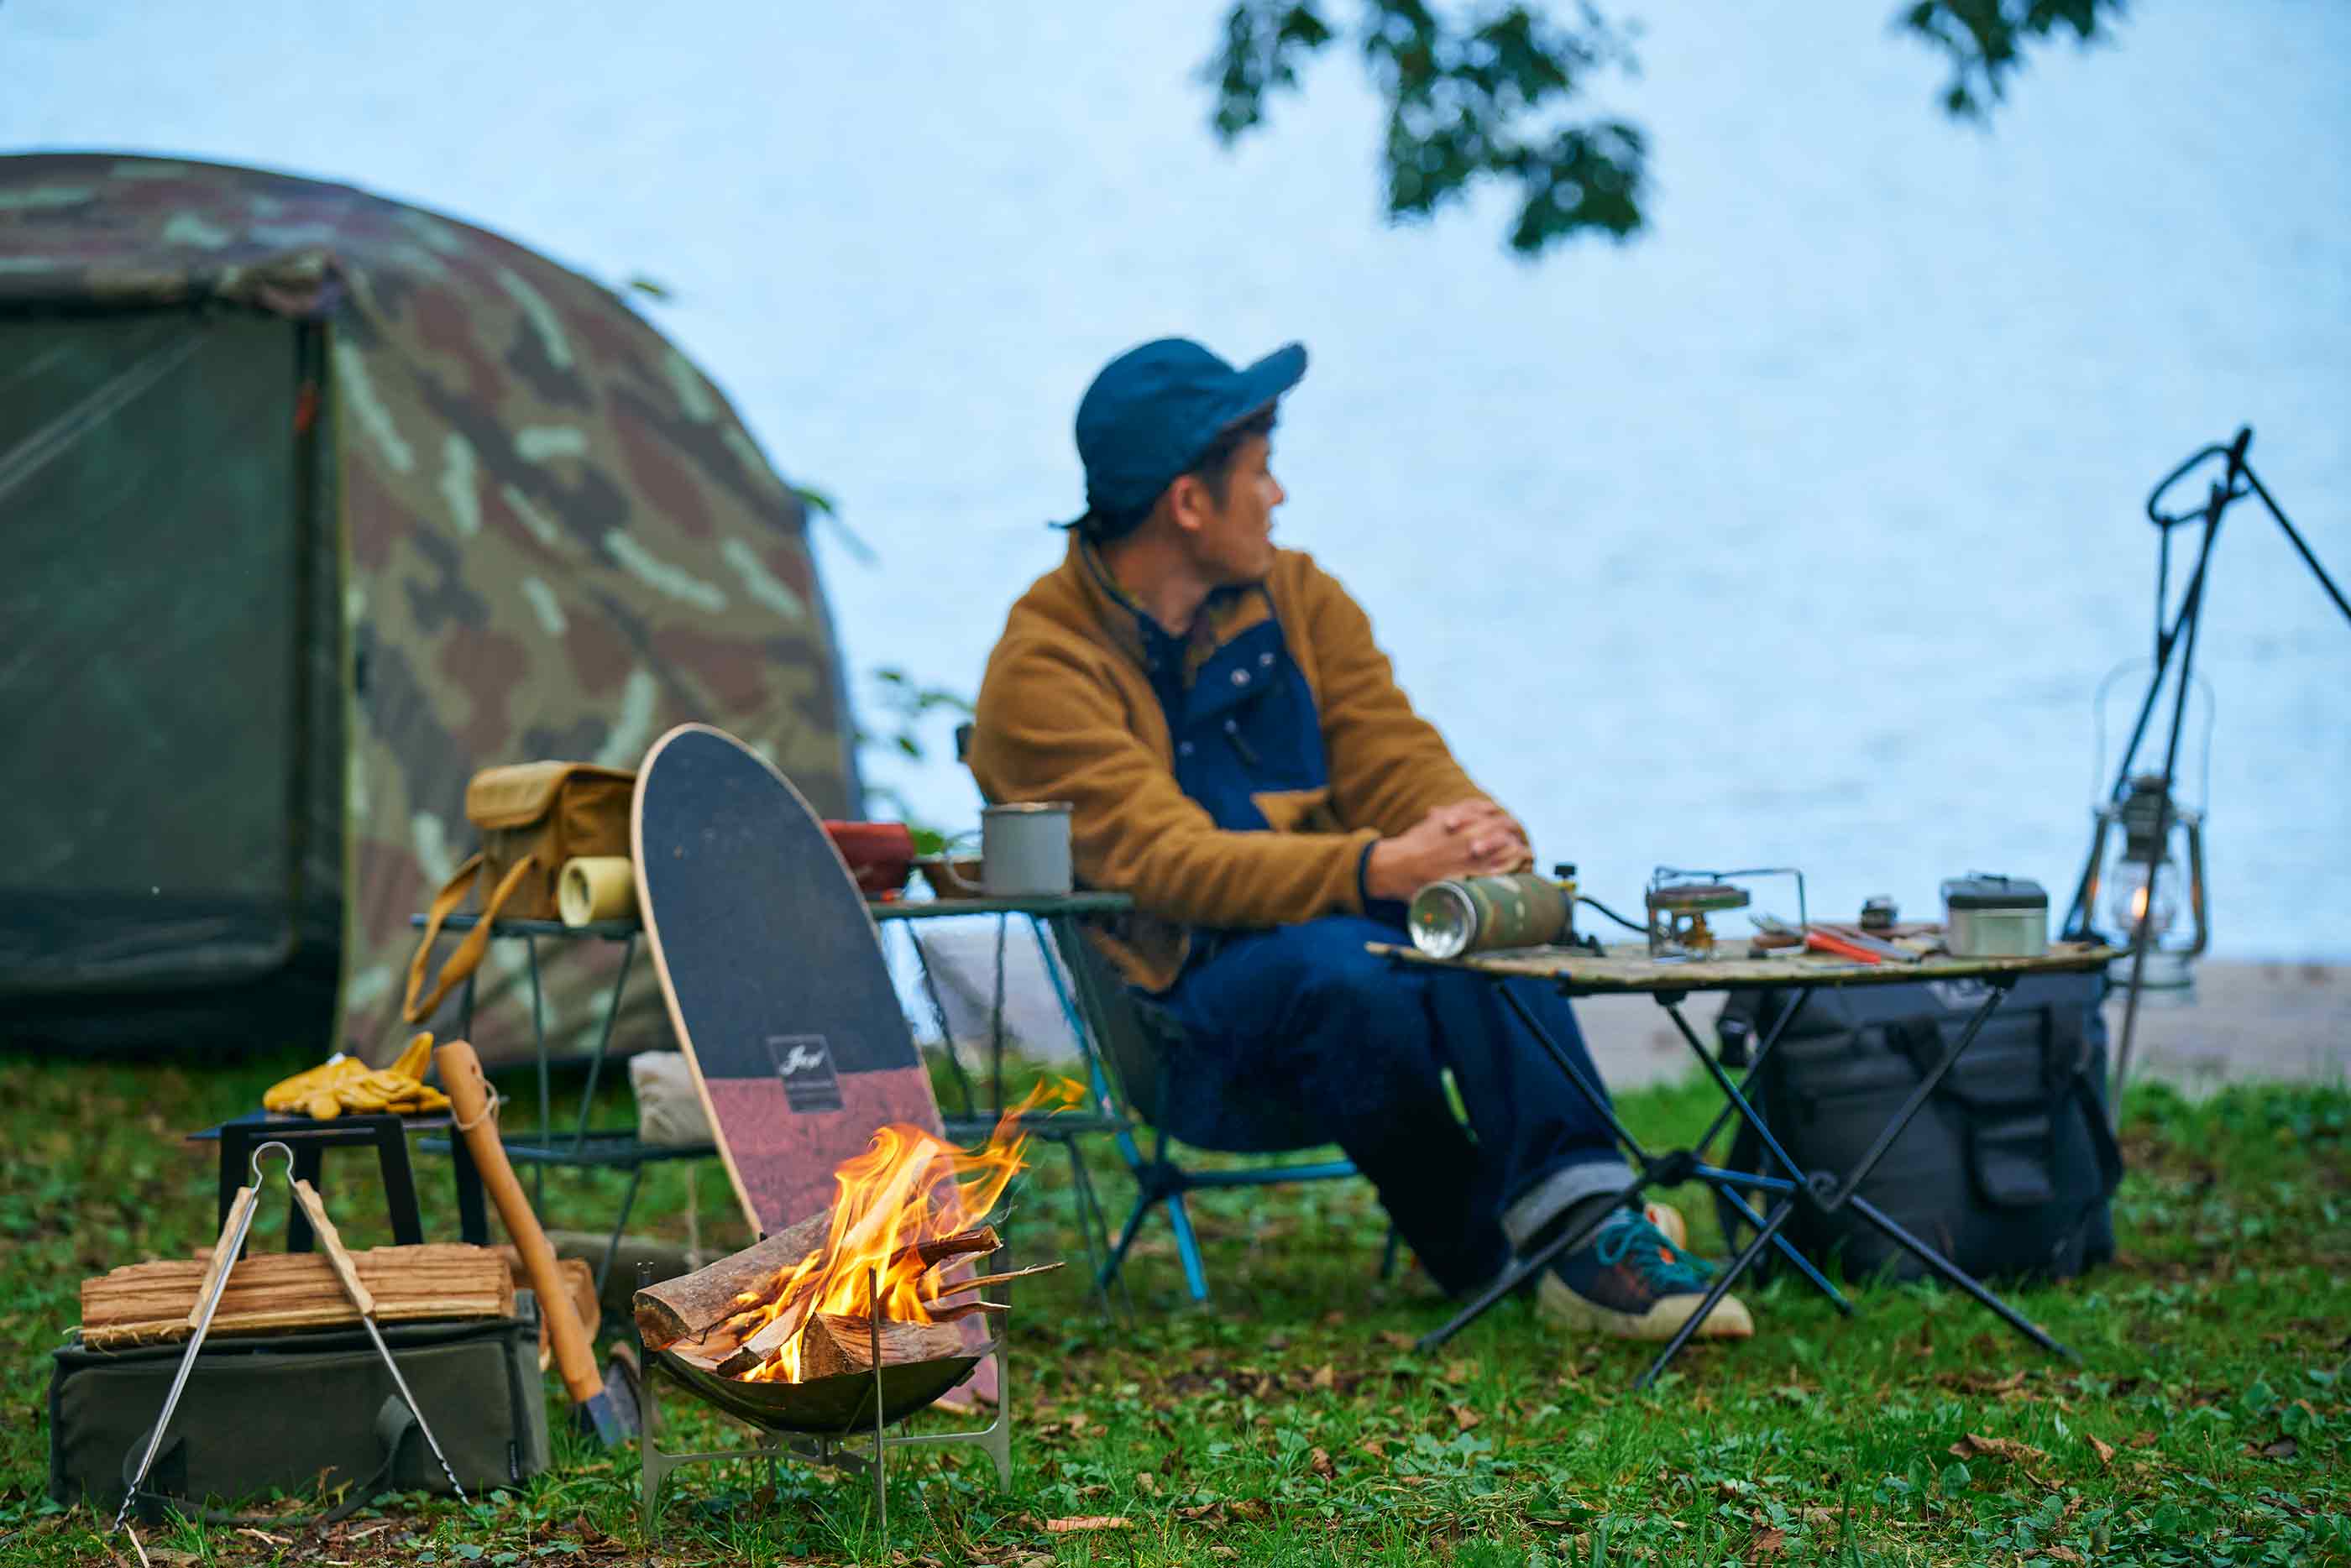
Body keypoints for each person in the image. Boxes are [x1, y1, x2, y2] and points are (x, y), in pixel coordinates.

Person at [970, 337, 1751, 1341]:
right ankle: (1503, 1250)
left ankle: (1586, 1220)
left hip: (1351, 947)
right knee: (1349, 972)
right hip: (1194, 1026)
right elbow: (1170, 862)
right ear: (1189, 503)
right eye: (1261, 473)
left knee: (1470, 915)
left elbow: (1394, 752)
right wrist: (1380, 866)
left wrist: (1470, 834)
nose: (1279, 495)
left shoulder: (1298, 596)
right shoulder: (1041, 668)